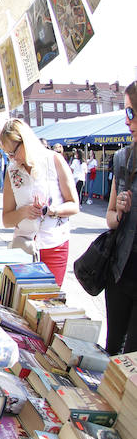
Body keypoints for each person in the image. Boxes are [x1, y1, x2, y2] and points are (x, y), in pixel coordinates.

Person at [0, 119, 79, 285]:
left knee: (49, 300)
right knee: (23, 302)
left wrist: (52, 210)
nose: (13, 159)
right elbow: (6, 220)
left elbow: (74, 205)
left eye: (13, 152)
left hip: (54, 244)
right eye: (8, 155)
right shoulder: (12, 172)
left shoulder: (54, 160)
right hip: (24, 247)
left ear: (25, 141)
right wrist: (24, 212)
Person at [104, 82, 137, 356]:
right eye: (127, 113)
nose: (129, 121)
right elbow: (110, 219)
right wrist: (120, 211)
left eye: (132, 112)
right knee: (113, 353)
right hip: (119, 273)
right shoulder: (123, 158)